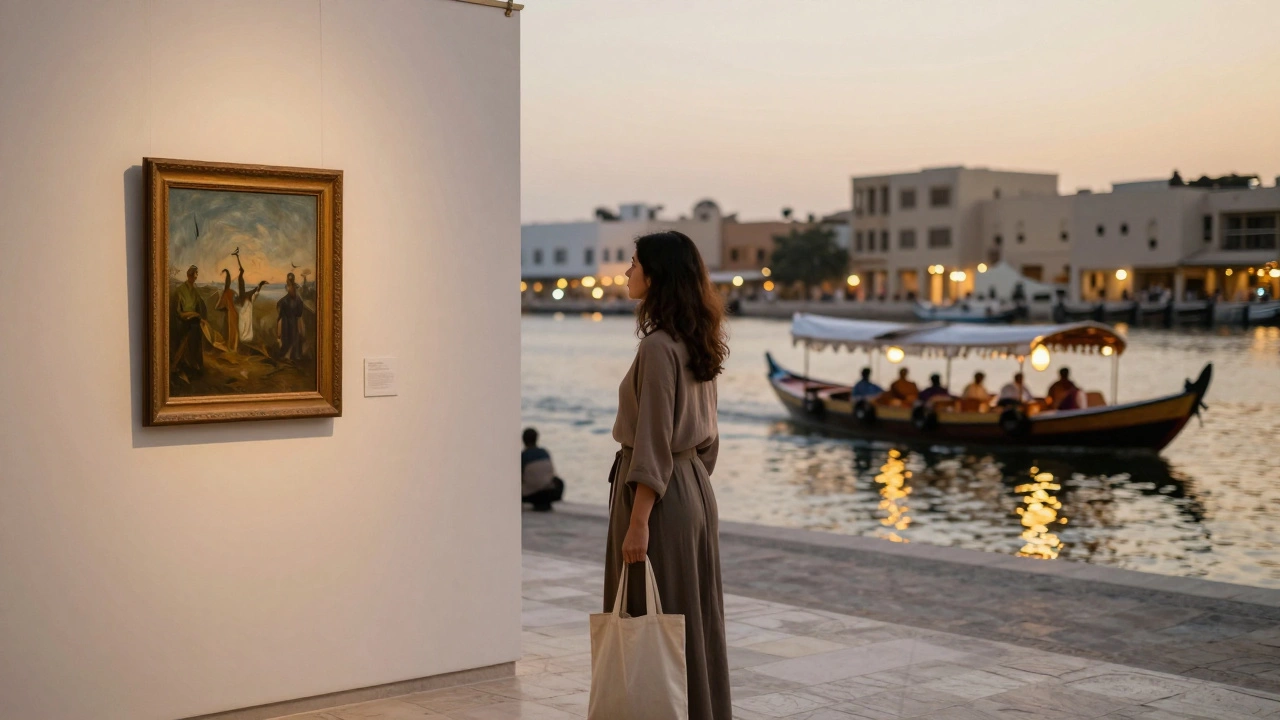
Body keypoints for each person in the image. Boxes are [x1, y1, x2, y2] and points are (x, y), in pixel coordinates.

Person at [607, 230, 730, 720]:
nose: (627, 271)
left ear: (655, 276)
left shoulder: (658, 346)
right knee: (690, 620)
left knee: (648, 619)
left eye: (634, 264)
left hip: (654, 500)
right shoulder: (697, 340)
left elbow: (653, 441)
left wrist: (639, 521)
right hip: (691, 488)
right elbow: (708, 439)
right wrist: (688, 485)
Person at [520, 427, 564, 511]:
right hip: (551, 493)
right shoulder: (544, 452)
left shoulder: (523, 456)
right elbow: (551, 473)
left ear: (523, 440)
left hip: (531, 495)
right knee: (559, 481)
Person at [174, 265, 206, 375]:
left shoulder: (195, 292)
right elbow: (178, 312)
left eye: (196, 274)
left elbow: (199, 309)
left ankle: (195, 362)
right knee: (193, 329)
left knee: (198, 327)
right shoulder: (180, 290)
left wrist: (199, 317)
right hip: (182, 321)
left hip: (194, 320)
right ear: (189, 276)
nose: (195, 277)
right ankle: (188, 363)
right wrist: (188, 315)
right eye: (194, 274)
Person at [276, 273, 306, 362]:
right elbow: (281, 317)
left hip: (291, 324)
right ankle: (288, 356)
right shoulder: (285, 301)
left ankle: (290, 356)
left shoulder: (287, 301)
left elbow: (299, 316)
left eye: (290, 285)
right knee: (289, 341)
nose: (290, 288)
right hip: (288, 324)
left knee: (292, 341)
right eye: (289, 286)